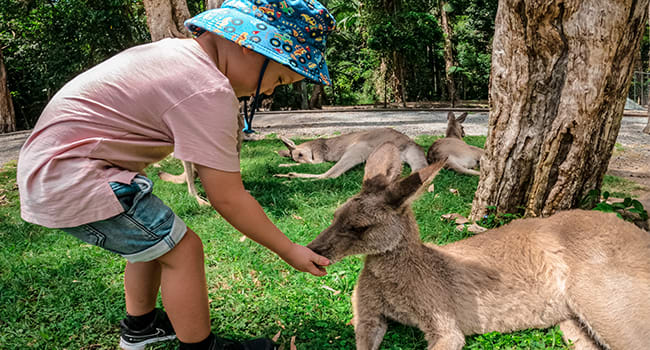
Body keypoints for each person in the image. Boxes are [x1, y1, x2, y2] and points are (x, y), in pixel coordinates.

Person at [16, 0, 336, 349]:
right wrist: (288, 249)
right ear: (248, 45)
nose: (270, 91)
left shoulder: (179, 55)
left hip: (52, 172)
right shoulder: (208, 88)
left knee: (154, 242)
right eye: (277, 78)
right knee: (182, 250)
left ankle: (141, 327)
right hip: (72, 177)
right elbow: (227, 196)